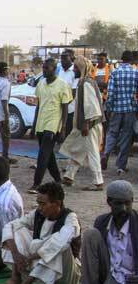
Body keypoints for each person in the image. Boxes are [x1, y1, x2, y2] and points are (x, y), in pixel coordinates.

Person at [0, 182, 81, 284]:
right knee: (17, 230)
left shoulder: (71, 220)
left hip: (65, 275)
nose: (40, 208)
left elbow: (56, 246)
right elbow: (10, 226)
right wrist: (16, 254)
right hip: (38, 265)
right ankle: (15, 277)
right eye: (38, 204)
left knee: (59, 246)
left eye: (43, 204)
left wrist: (30, 258)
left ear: (57, 203)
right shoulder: (38, 214)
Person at [69, 181, 138, 284]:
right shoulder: (102, 221)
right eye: (118, 203)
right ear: (109, 202)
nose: (124, 208)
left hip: (128, 281)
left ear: (132, 201)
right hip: (110, 273)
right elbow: (95, 258)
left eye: (128, 203)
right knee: (91, 234)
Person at [60, 57, 104, 191]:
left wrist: (85, 124)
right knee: (78, 150)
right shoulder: (84, 82)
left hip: (89, 125)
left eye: (76, 68)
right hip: (86, 124)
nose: (74, 70)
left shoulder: (86, 83)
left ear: (81, 68)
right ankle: (69, 176)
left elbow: (91, 106)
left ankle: (98, 182)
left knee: (92, 153)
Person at [29, 58, 72, 193]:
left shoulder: (62, 85)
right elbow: (38, 106)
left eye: (47, 68)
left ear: (54, 69)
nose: (44, 70)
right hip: (41, 123)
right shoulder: (41, 84)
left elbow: (65, 108)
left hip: (53, 124)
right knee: (48, 154)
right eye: (43, 68)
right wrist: (34, 125)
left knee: (43, 154)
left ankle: (36, 184)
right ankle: (58, 180)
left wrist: (63, 128)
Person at [101, 51, 138, 176]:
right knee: (126, 137)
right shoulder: (135, 73)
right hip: (130, 109)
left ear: (121, 60)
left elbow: (110, 93)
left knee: (112, 133)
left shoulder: (114, 73)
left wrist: (109, 108)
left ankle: (106, 153)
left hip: (116, 109)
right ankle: (120, 166)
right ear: (131, 60)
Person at [58, 50, 78, 138]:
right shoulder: (60, 71)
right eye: (61, 59)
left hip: (70, 108)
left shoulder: (75, 71)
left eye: (65, 59)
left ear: (71, 59)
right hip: (59, 106)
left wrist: (64, 104)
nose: (62, 61)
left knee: (68, 132)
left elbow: (74, 93)